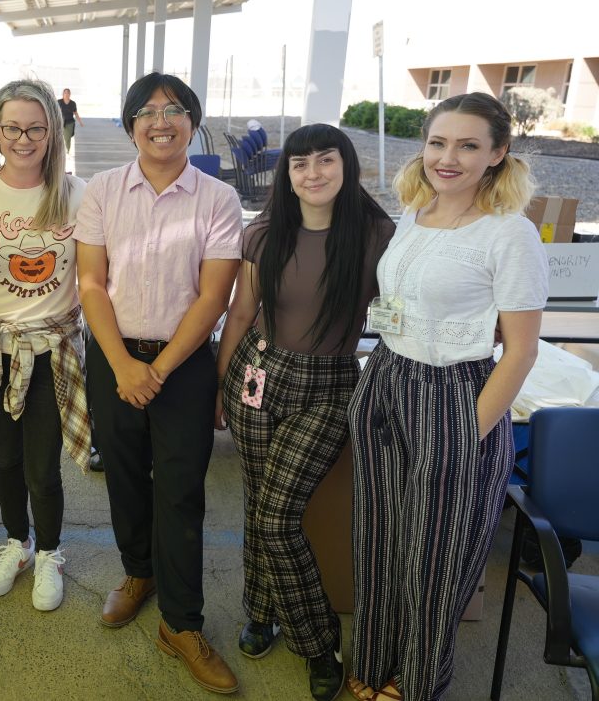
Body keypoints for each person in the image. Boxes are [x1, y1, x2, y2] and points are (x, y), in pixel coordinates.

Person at [345, 92, 548, 701]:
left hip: (455, 393)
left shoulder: (509, 235)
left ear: (498, 154)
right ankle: (375, 660)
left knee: (432, 558)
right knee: (378, 541)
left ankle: (415, 683)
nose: (448, 157)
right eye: (438, 143)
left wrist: (469, 430)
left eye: (467, 145)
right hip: (386, 379)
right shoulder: (416, 210)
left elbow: (520, 351)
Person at [74, 72, 242, 693]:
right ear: (129, 127)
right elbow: (91, 283)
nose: (160, 121)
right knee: (122, 475)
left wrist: (159, 369)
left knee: (179, 490)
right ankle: (138, 572)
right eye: (146, 112)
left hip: (184, 363)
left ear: (193, 122)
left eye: (174, 110)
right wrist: (122, 365)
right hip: (114, 356)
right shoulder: (101, 192)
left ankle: (182, 622)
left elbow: (214, 294)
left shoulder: (218, 199)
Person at [215, 124, 394, 701]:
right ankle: (260, 609)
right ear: (286, 174)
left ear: (346, 166)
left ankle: (318, 644)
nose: (312, 172)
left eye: (325, 160)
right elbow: (241, 314)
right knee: (258, 497)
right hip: (256, 374)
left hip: (329, 385)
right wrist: (221, 386)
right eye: (299, 163)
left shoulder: (377, 236)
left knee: (277, 516)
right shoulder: (264, 233)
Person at [0, 78, 89, 613]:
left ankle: (50, 549)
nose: (22, 139)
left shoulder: (78, 195)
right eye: (12, 128)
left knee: (42, 464)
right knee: (4, 456)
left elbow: (98, 278)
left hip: (54, 348)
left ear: (52, 131)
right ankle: (16, 542)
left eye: (35, 128)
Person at [57, 88, 84, 154]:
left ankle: (67, 151)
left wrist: (80, 122)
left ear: (70, 94)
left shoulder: (73, 103)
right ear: (63, 94)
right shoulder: (58, 102)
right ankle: (62, 151)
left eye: (68, 93)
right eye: (65, 93)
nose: (66, 94)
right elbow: (54, 111)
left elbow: (75, 113)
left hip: (69, 123)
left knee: (67, 137)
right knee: (60, 138)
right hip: (60, 123)